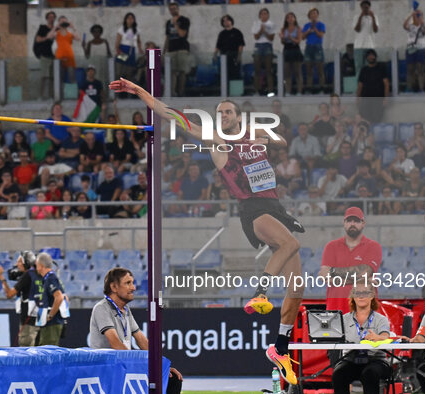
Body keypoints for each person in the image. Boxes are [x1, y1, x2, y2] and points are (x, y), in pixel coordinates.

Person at [110, 77, 305, 385]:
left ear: (239, 117)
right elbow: (171, 114)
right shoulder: (216, 141)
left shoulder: (255, 138)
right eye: (220, 113)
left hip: (276, 208)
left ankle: (280, 348)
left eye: (229, 112)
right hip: (254, 210)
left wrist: (268, 138)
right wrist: (138, 92)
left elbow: (279, 141)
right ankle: (260, 293)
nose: (224, 116)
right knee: (290, 243)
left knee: (297, 288)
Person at [89, 268, 183, 393]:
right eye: (128, 283)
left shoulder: (126, 310)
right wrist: (136, 364)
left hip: (123, 364)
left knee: (173, 378)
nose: (133, 288)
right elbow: (115, 344)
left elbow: (142, 341)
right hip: (108, 368)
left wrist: (163, 366)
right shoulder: (101, 308)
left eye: (132, 283)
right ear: (114, 287)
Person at [331, 281, 391, 394]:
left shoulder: (381, 319)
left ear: (372, 296)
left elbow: (385, 336)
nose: (361, 296)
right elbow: (334, 338)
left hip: (376, 361)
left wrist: (378, 337)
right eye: (357, 293)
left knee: (370, 374)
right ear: (353, 296)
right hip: (350, 360)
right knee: (339, 374)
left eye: (365, 293)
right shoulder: (343, 319)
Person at [318, 206, 382, 313]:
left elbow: (365, 271)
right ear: (344, 223)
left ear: (363, 223)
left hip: (363, 310)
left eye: (356, 221)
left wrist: (334, 275)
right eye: (349, 220)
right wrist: (361, 280)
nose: (352, 224)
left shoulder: (373, 246)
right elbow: (324, 274)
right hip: (335, 308)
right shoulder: (331, 246)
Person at [1, 251, 42, 346]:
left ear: (26, 263)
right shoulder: (38, 274)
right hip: (39, 318)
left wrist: (2, 279)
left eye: (19, 262)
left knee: (26, 350)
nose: (16, 264)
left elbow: (9, 294)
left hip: (28, 320)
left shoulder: (27, 276)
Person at [35, 252, 66, 346]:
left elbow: (59, 297)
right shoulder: (49, 278)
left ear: (41, 265)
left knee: (47, 351)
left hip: (52, 323)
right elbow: (65, 297)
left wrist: (50, 315)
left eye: (37, 264)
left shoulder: (51, 278)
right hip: (51, 323)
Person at [164, 2, 191, 97]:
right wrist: (164, 51)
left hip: (182, 48)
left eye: (174, 8)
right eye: (171, 9)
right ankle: (172, 92)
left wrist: (176, 25)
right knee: (172, 71)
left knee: (182, 71)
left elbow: (182, 34)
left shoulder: (184, 20)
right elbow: (167, 37)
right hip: (171, 49)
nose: (173, 11)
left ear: (178, 9)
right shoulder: (168, 22)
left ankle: (181, 91)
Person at [357, 49, 389, 124]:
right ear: (366, 58)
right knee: (365, 120)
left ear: (375, 57)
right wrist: (358, 98)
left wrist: (386, 98)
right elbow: (360, 86)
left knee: (376, 120)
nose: (371, 57)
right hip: (365, 100)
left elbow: (386, 84)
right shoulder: (364, 70)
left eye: (372, 55)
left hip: (378, 100)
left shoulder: (381, 68)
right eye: (369, 56)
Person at [404, 9, 425, 92]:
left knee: (420, 69)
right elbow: (404, 26)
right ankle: (409, 88)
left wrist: (422, 22)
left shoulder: (424, 25)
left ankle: (421, 88)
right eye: (416, 15)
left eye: (419, 15)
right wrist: (410, 15)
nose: (417, 16)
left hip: (421, 49)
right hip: (410, 49)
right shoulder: (410, 26)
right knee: (410, 69)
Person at [252, 8, 275, 96]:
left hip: (267, 46)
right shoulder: (256, 24)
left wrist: (264, 31)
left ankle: (270, 91)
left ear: (268, 15)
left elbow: (271, 38)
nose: (264, 15)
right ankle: (257, 91)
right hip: (258, 45)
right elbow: (256, 37)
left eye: (265, 13)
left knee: (268, 70)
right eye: (262, 14)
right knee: (257, 70)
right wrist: (261, 30)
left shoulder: (271, 24)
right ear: (259, 15)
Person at [214, 15, 245, 82]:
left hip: (234, 55)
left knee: (235, 75)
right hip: (224, 56)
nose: (226, 22)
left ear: (231, 21)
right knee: (225, 75)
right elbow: (218, 46)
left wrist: (239, 56)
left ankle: (234, 91)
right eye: (224, 21)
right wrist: (215, 54)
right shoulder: (222, 34)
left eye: (227, 20)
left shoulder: (237, 32)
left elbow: (240, 45)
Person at [302, 8, 326, 94]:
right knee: (309, 69)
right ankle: (309, 87)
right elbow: (302, 37)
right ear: (309, 16)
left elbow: (321, 35)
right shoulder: (306, 25)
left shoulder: (321, 25)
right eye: (312, 14)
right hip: (309, 47)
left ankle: (322, 88)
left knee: (320, 69)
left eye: (315, 14)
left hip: (317, 47)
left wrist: (315, 28)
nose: (314, 15)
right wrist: (308, 31)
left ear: (317, 15)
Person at [33, 11, 56, 99]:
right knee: (43, 76)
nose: (51, 19)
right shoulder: (42, 28)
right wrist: (47, 37)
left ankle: (51, 95)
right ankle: (41, 95)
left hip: (54, 56)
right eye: (50, 17)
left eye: (53, 17)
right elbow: (38, 39)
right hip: (45, 55)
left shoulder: (56, 29)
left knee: (52, 77)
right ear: (47, 19)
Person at [353, 0, 379, 77]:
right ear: (361, 8)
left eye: (367, 7)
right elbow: (357, 29)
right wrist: (361, 16)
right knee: (359, 68)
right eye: (364, 7)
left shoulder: (374, 17)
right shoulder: (356, 17)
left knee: (370, 68)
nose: (365, 9)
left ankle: (369, 87)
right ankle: (360, 87)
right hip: (359, 46)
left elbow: (375, 30)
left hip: (370, 46)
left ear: (369, 8)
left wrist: (373, 17)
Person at [280, 12, 303, 96]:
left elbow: (298, 41)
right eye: (288, 17)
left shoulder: (298, 28)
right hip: (287, 49)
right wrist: (283, 38)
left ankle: (299, 91)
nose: (290, 19)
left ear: (295, 19)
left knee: (297, 72)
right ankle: (288, 91)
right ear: (286, 19)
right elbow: (282, 42)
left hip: (295, 49)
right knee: (287, 73)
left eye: (292, 17)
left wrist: (291, 38)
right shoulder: (283, 29)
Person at [115, 13, 142, 83]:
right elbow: (117, 42)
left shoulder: (136, 30)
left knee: (129, 72)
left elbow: (139, 41)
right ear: (125, 20)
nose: (130, 20)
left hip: (131, 51)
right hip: (123, 50)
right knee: (120, 72)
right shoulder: (121, 29)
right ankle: (119, 91)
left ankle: (128, 91)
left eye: (132, 18)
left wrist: (140, 48)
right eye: (128, 18)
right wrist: (118, 51)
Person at [53, 16, 80, 83]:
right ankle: (59, 93)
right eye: (62, 21)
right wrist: (56, 27)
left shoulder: (70, 33)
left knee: (72, 78)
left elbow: (78, 38)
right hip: (59, 57)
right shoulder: (56, 33)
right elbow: (49, 36)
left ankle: (73, 93)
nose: (63, 23)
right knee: (59, 79)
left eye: (65, 21)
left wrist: (73, 28)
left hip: (69, 57)